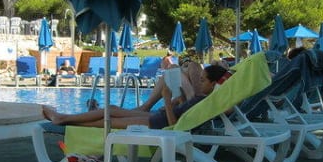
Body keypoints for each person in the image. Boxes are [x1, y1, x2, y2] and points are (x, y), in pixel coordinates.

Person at [42, 64, 230, 130]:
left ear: (214, 83)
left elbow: (174, 126)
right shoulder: (205, 99)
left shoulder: (203, 101)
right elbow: (182, 114)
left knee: (107, 120)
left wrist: (166, 99)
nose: (200, 83)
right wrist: (177, 100)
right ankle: (64, 118)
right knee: (112, 110)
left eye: (203, 80)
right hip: (157, 117)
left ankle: (64, 120)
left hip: (157, 123)